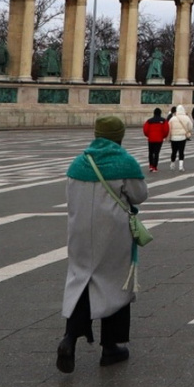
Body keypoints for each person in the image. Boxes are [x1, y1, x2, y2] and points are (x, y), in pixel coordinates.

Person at [57, 116, 146, 373]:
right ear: (119, 136)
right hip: (113, 233)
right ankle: (110, 346)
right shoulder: (124, 162)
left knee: (81, 279)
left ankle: (69, 339)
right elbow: (140, 195)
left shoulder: (78, 163)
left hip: (80, 233)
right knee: (113, 283)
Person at [142, 109, 170, 173]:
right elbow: (166, 130)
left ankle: (151, 166)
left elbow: (145, 130)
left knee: (150, 152)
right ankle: (155, 167)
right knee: (156, 153)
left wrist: (148, 135)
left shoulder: (149, 121)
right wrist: (163, 136)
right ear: (160, 113)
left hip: (151, 139)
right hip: (159, 139)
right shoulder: (163, 120)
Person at [168, 104, 190, 171]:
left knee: (174, 151)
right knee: (181, 151)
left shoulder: (172, 118)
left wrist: (169, 137)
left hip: (173, 138)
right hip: (182, 137)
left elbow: (169, 128)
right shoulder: (186, 118)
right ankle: (181, 166)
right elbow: (190, 126)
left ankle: (172, 163)